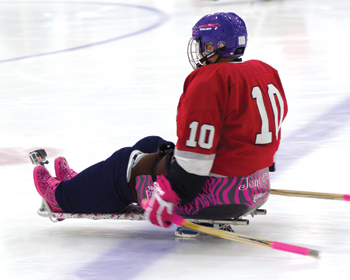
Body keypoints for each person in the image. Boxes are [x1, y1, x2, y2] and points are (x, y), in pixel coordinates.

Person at [33, 12, 288, 231]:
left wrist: (174, 192)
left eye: (202, 43)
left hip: (215, 196)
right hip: (254, 187)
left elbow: (195, 161)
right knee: (151, 144)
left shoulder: (211, 79)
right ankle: (81, 185)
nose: (199, 49)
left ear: (214, 45)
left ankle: (61, 196)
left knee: (124, 165)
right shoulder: (263, 71)